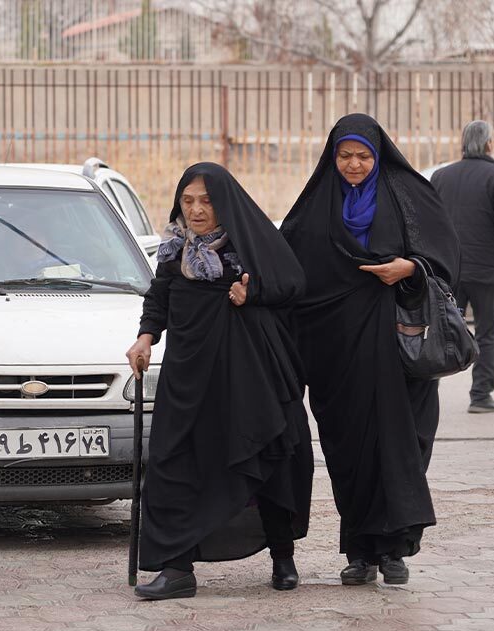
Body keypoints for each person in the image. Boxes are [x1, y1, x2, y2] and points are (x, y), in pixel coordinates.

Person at [280, 114, 460, 586]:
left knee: (402, 446)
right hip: (338, 354)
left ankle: (394, 550)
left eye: (363, 156)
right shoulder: (317, 205)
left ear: (379, 156)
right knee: (350, 453)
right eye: (345, 156)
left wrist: (410, 269)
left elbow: (445, 260)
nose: (354, 165)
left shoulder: (408, 195)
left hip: (400, 350)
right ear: (332, 157)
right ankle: (360, 552)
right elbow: (287, 267)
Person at [125, 162, 314, 600]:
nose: (196, 210)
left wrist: (253, 293)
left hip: (247, 373)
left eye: (206, 201)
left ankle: (282, 555)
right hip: (189, 374)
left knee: (264, 454)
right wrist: (145, 337)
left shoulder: (250, 242)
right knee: (174, 461)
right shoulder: (174, 248)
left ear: (224, 203)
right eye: (188, 201)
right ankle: (176, 568)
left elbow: (292, 284)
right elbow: (159, 296)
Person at [430, 120, 494, 414]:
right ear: (488, 144)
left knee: (443, 330)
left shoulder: (441, 176)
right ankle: (480, 395)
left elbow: (431, 219)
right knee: (486, 333)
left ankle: (427, 392)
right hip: (486, 271)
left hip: (449, 269)